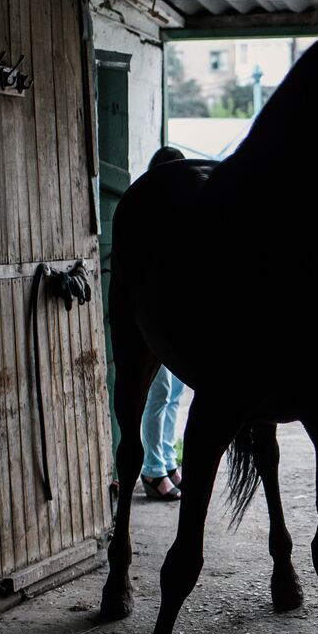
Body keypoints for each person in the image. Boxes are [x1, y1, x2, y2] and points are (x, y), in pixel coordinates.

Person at [139, 146, 190, 501]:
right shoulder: (147, 213)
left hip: (171, 316)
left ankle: (168, 459)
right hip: (150, 317)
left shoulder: (174, 211)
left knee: (173, 391)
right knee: (159, 392)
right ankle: (152, 469)